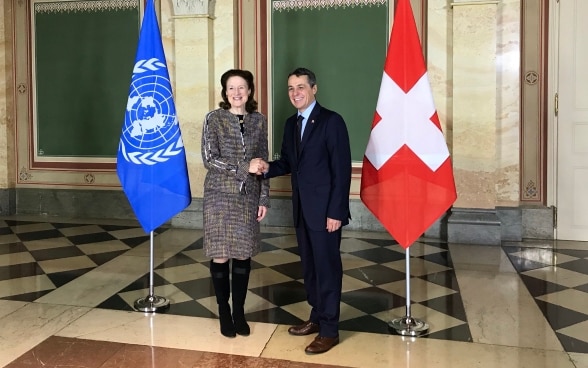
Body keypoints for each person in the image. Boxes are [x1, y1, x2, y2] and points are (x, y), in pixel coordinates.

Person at [254, 67, 351, 354]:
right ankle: (317, 317)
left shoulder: (332, 122)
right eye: (291, 88)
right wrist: (268, 168)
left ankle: (330, 330)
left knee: (327, 269)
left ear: (314, 88)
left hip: (325, 214)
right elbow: (288, 162)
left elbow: (341, 171)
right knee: (309, 268)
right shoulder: (289, 124)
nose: (295, 93)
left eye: (300, 87)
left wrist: (336, 212)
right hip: (302, 211)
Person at [201, 69, 270, 338]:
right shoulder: (214, 119)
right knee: (221, 254)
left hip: (248, 197)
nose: (237, 92)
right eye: (231, 88)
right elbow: (209, 158)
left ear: (250, 91)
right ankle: (223, 311)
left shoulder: (259, 121)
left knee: (243, 254)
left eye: (242, 87)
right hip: (219, 196)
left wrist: (264, 197)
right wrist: (243, 167)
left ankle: (239, 312)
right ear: (225, 92)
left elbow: (262, 162)